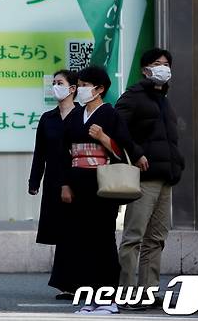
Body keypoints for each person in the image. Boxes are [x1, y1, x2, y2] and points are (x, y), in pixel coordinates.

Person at [59, 65, 139, 315]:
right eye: (80, 85)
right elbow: (63, 151)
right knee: (83, 241)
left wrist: (104, 138)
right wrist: (65, 184)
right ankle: (91, 298)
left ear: (99, 89)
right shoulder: (75, 115)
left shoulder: (110, 114)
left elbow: (125, 148)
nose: (81, 89)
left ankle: (109, 299)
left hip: (101, 184)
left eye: (84, 85)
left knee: (103, 239)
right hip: (78, 181)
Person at [116, 48, 184, 310]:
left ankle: (148, 291)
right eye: (157, 64)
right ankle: (125, 291)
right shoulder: (134, 96)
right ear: (145, 70)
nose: (163, 68)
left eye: (166, 64)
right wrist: (136, 153)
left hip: (165, 177)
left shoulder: (163, 99)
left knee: (156, 238)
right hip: (144, 177)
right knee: (134, 236)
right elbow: (116, 127)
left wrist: (177, 163)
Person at [28, 69, 78, 300]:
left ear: (73, 89)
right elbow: (40, 153)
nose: (55, 86)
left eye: (60, 83)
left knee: (76, 232)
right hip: (53, 180)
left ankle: (81, 281)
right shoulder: (47, 118)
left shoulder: (81, 116)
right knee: (61, 232)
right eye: (54, 82)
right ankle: (66, 283)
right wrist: (34, 181)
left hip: (79, 180)